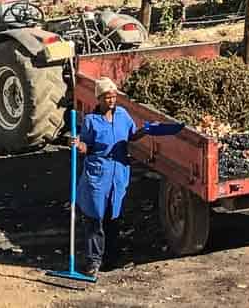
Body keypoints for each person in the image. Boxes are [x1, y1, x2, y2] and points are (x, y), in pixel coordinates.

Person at [74, 76, 182, 279]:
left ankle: (112, 258)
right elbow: (86, 147)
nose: (111, 101)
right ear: (99, 98)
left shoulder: (123, 114)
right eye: (107, 97)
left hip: (119, 172)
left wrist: (146, 130)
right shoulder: (91, 121)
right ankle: (93, 261)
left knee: (113, 217)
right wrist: (78, 145)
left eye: (114, 97)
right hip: (99, 172)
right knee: (94, 218)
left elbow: (131, 136)